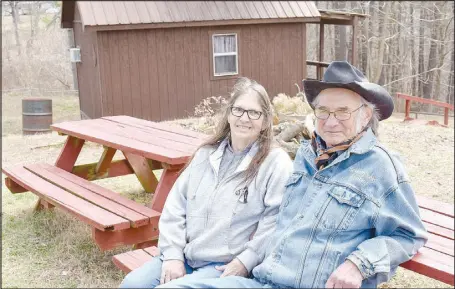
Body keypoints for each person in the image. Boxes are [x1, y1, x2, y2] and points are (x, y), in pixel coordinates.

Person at [155, 61, 428, 289]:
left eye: (343, 111)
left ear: (366, 115)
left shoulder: (380, 167)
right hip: (262, 279)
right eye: (323, 111)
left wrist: (358, 264)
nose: (331, 121)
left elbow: (408, 235)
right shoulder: (309, 155)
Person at [119, 77, 293, 288]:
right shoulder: (205, 154)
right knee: (132, 285)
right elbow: (175, 206)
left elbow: (276, 220)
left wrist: (245, 260)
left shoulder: (275, 162)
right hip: (186, 256)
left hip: (225, 266)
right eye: (238, 110)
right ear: (229, 114)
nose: (244, 118)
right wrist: (173, 254)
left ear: (265, 121)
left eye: (254, 112)